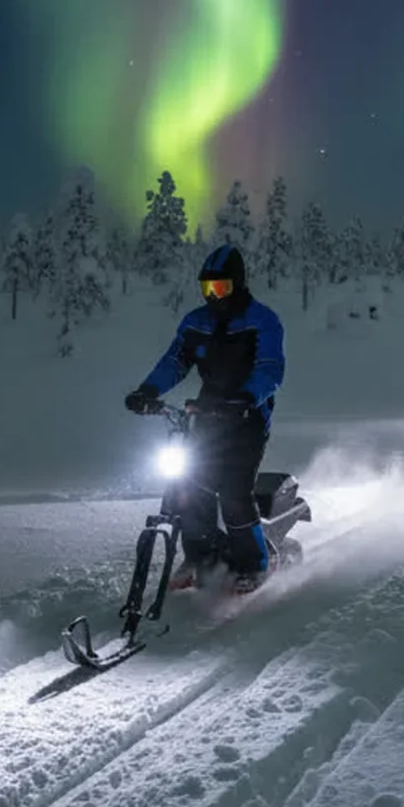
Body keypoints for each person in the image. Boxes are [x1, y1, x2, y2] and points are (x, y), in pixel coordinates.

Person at [124, 243, 285, 594]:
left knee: (233, 492)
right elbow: (175, 361)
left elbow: (270, 369)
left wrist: (244, 398)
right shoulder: (197, 322)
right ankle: (199, 555)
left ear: (238, 284)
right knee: (189, 486)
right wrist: (148, 391)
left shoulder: (261, 321)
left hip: (248, 417)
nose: (214, 296)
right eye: (207, 288)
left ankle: (255, 562)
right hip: (206, 416)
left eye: (221, 288)